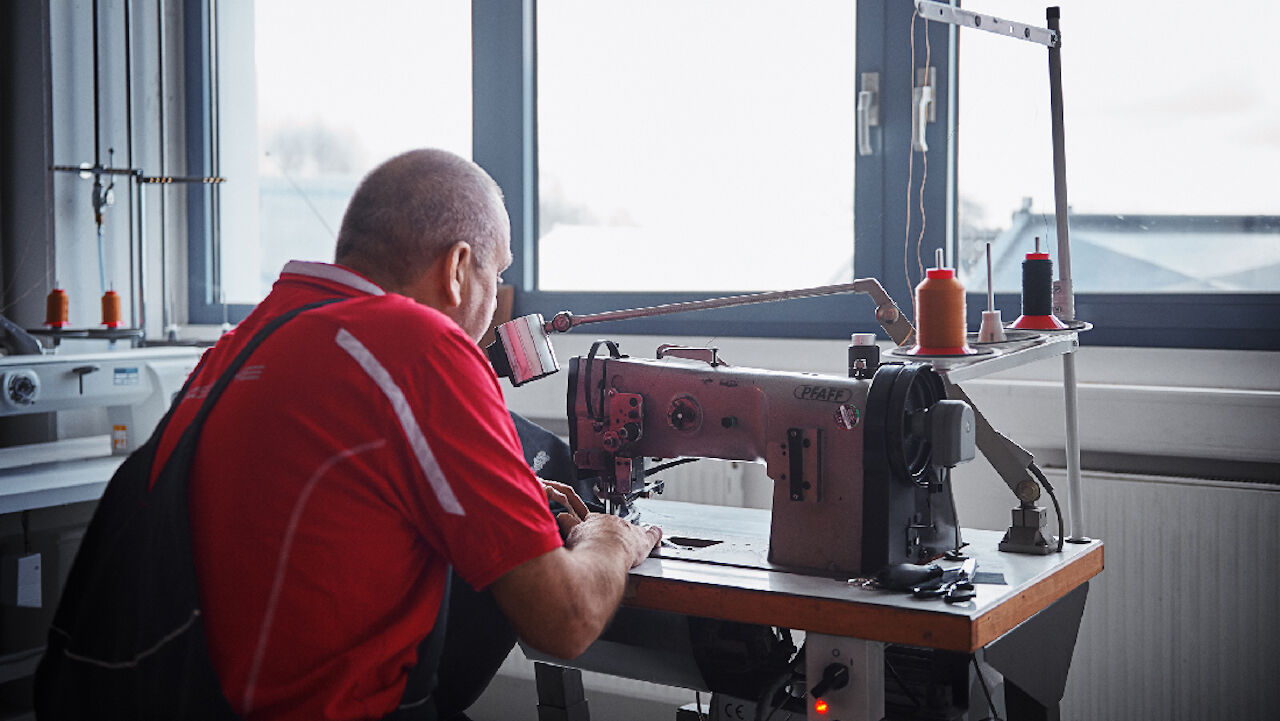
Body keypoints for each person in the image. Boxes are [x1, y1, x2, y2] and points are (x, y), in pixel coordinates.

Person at [39, 149, 662, 721]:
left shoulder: (238, 345)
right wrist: (611, 537)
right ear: (456, 269)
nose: (496, 307)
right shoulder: (421, 345)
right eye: (495, 279)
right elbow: (566, 620)